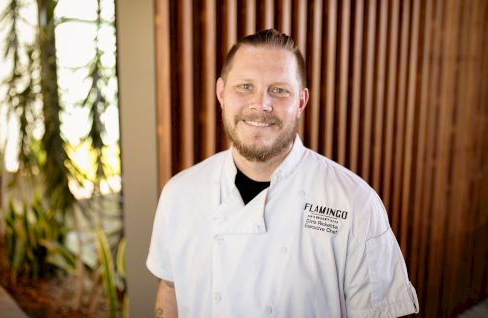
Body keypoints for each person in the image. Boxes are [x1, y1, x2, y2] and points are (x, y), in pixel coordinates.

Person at [147, 29, 419, 317]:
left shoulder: (354, 204)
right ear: (221, 93)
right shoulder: (179, 193)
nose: (261, 105)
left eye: (279, 90)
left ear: (300, 102)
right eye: (245, 87)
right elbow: (170, 289)